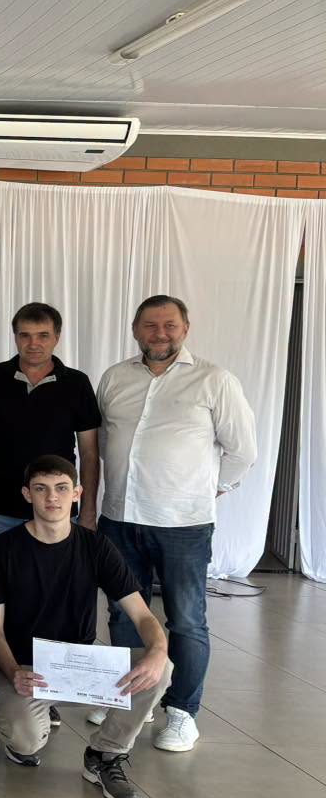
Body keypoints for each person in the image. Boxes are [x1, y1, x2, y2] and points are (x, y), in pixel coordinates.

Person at [96, 294, 256, 752]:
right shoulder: (115, 378)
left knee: (185, 619)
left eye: (169, 325)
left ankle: (182, 712)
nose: (159, 334)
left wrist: (207, 490)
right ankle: (133, 699)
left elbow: (243, 451)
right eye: (150, 325)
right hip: (120, 517)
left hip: (183, 525)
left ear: (185, 328)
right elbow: (106, 439)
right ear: (135, 329)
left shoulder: (214, 380)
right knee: (124, 614)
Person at [0, 456, 171, 798]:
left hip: (81, 666)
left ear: (77, 493)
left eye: (61, 488)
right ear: (27, 494)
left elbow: (142, 616)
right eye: (41, 489)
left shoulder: (95, 546)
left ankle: (104, 755)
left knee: (161, 667)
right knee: (25, 742)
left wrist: (158, 651)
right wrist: (12, 672)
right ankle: (15, 719)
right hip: (28, 669)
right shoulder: (2, 550)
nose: (51, 498)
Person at [0, 303, 101, 546]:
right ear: (15, 337)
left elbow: (89, 454)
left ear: (57, 337)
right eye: (25, 335)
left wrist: (88, 512)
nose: (33, 344)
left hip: (58, 510)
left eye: (43, 335)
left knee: (57, 572)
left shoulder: (77, 383)